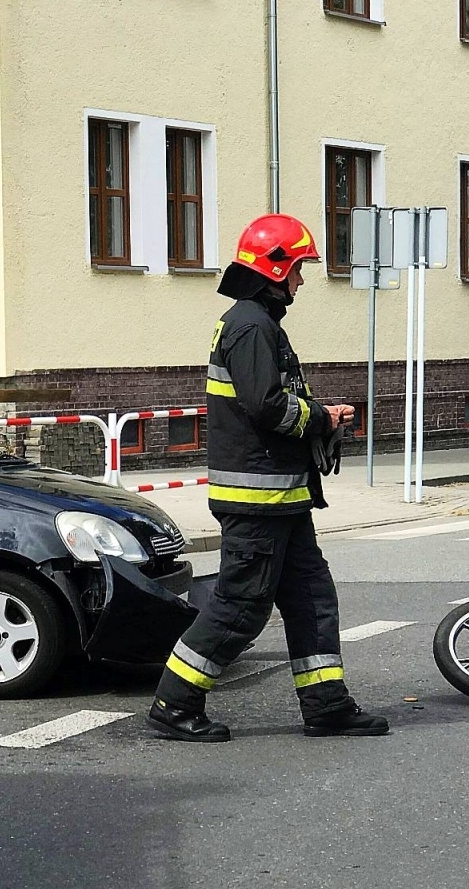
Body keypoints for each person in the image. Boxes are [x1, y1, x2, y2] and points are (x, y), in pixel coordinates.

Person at [147, 214, 390, 743]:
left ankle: (327, 705)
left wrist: (320, 416)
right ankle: (174, 703)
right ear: (274, 268)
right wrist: (323, 417)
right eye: (299, 269)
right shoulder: (251, 326)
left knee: (311, 601)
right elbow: (266, 408)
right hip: (256, 500)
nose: (302, 280)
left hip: (282, 498)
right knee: (239, 608)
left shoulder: (256, 322)